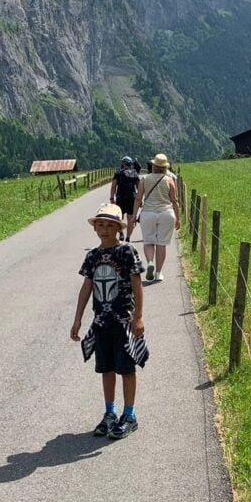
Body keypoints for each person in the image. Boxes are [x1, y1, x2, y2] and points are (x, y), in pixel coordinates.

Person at [70, 203, 145, 440]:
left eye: (109, 225)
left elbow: (136, 283)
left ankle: (129, 415)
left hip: (123, 320)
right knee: (106, 369)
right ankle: (110, 412)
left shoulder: (126, 251)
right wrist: (78, 319)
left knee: (126, 368)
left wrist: (138, 317)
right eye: (100, 225)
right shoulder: (92, 256)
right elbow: (87, 287)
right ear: (94, 229)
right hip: (101, 322)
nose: (104, 229)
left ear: (118, 227)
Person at [134, 152, 180, 283]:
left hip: (148, 213)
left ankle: (149, 262)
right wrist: (178, 218)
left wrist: (134, 216)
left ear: (153, 165)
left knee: (148, 241)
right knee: (161, 244)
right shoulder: (170, 180)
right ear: (165, 167)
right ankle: (159, 272)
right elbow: (174, 200)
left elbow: (138, 199)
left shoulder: (144, 179)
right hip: (166, 213)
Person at [109, 157, 140, 242]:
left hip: (120, 198)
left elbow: (113, 187)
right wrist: (139, 200)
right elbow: (139, 188)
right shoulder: (135, 173)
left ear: (123, 164)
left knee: (118, 217)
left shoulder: (118, 173)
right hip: (132, 198)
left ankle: (121, 232)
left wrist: (112, 198)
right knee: (130, 218)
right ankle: (128, 237)